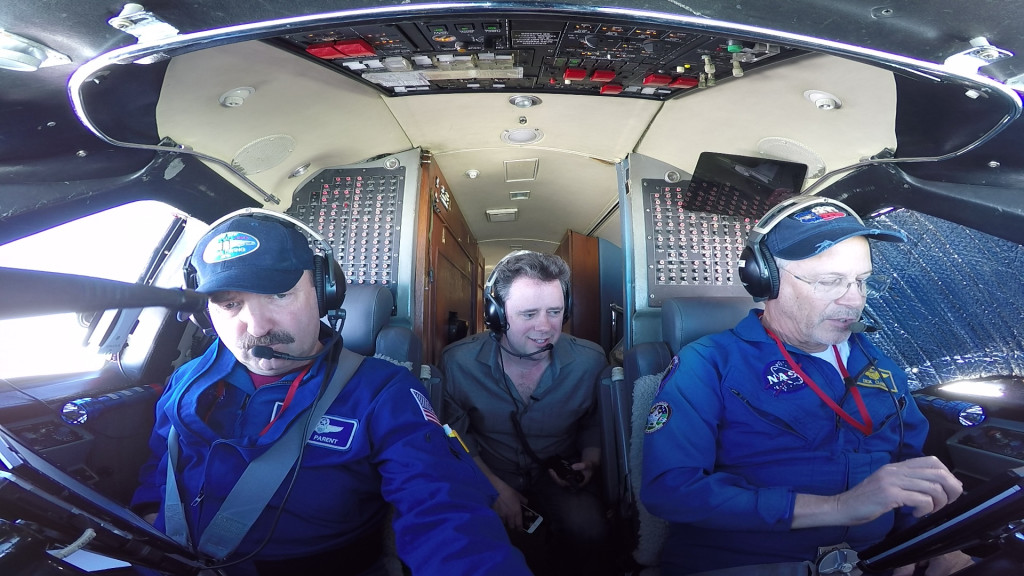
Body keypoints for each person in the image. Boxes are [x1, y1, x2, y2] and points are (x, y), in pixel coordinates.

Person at [131, 211, 532, 576]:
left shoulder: (383, 392)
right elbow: (160, 459)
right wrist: (150, 512)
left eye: (278, 295)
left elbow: (443, 511)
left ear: (324, 292)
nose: (256, 326)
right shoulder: (186, 379)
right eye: (230, 304)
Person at [640, 197, 974, 576]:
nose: (854, 300)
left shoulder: (879, 364)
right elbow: (671, 490)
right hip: (746, 562)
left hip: (876, 560)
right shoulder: (709, 363)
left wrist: (935, 543)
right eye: (830, 281)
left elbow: (909, 470)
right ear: (766, 279)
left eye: (862, 281)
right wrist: (839, 507)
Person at [441, 251, 611, 576]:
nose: (545, 327)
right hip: (488, 472)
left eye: (555, 312)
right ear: (496, 314)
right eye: (529, 313)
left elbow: (593, 423)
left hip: (556, 476)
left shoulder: (591, 361)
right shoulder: (457, 362)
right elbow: (456, 437)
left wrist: (590, 461)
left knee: (591, 533)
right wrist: (494, 487)